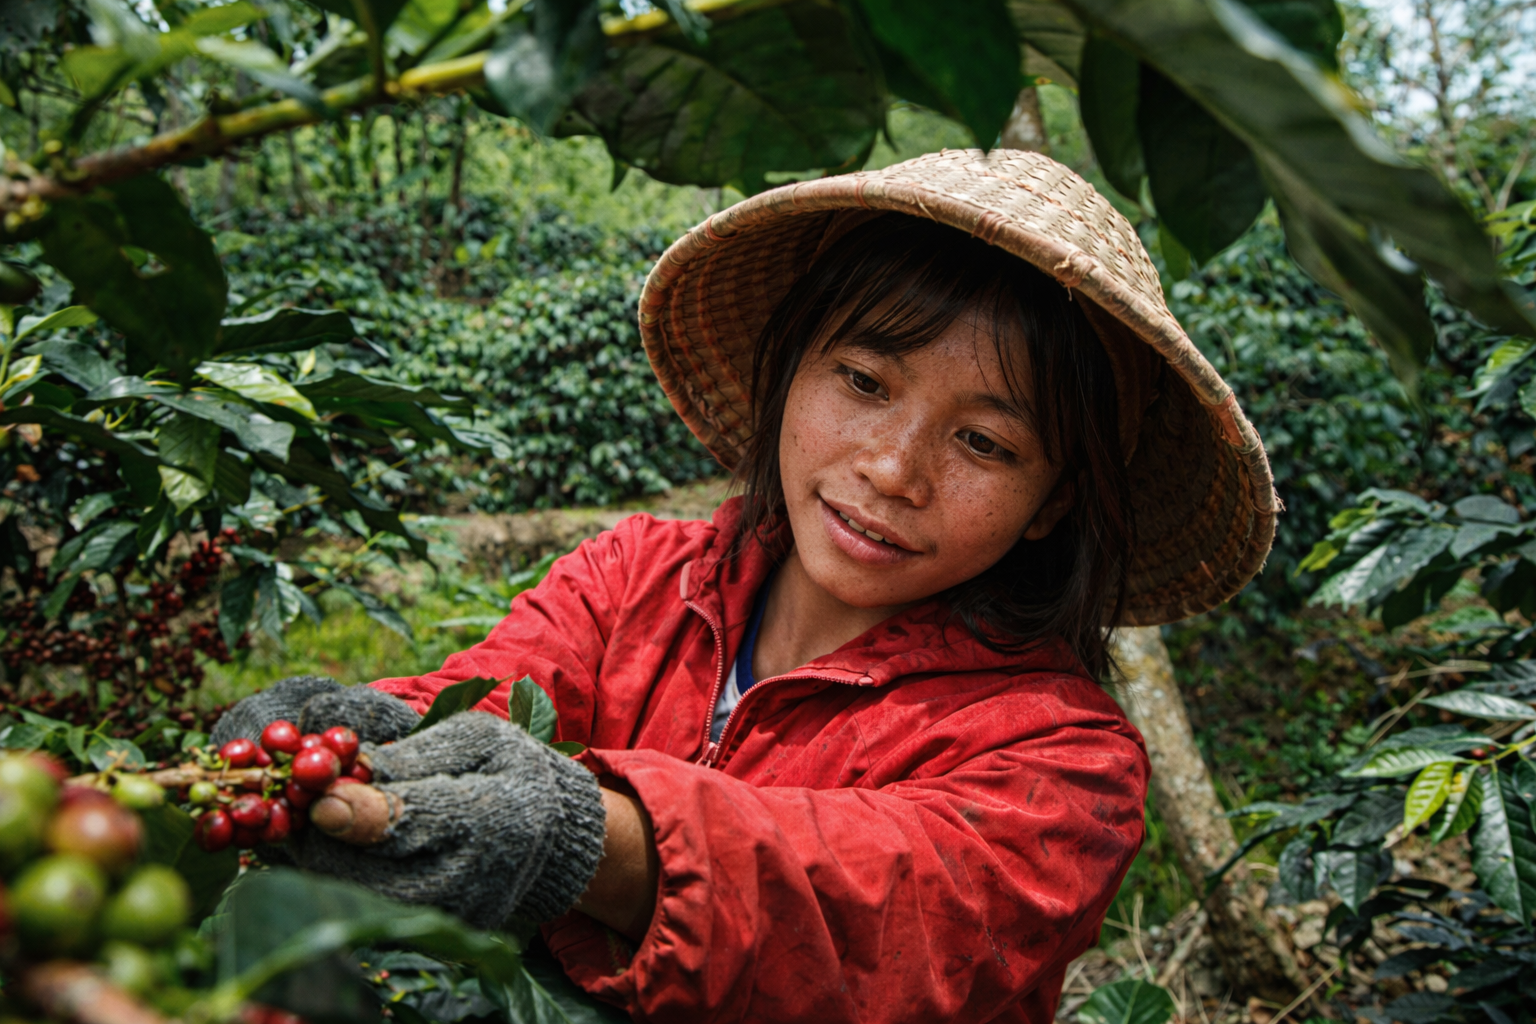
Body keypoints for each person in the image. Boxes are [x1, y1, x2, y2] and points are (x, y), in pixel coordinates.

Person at [212, 149, 1276, 1024]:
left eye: (985, 444)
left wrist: (591, 836)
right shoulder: (634, 578)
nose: (894, 469)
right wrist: (365, 736)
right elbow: (486, 701)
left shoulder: (1062, 763)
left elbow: (883, 916)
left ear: (1052, 503)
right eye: (863, 382)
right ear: (789, 370)